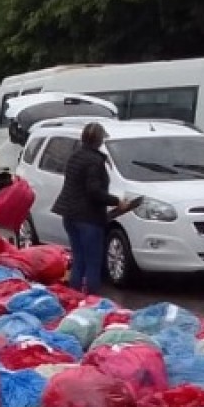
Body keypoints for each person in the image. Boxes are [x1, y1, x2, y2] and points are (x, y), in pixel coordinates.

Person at [51, 123, 135, 294]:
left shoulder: (75, 156)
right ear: (99, 140)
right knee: (93, 262)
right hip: (88, 218)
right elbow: (94, 191)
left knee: (79, 258)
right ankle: (92, 301)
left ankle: (73, 298)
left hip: (70, 215)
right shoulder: (94, 162)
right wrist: (117, 202)